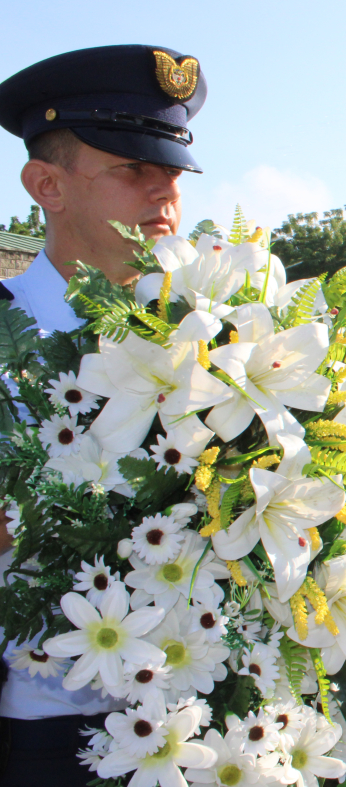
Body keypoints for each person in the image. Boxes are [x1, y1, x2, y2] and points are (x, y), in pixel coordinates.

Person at [0, 44, 206, 785]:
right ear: (45, 184)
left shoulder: (216, 339)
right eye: (132, 168)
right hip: (45, 739)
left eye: (173, 173)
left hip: (199, 727)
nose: (165, 194)